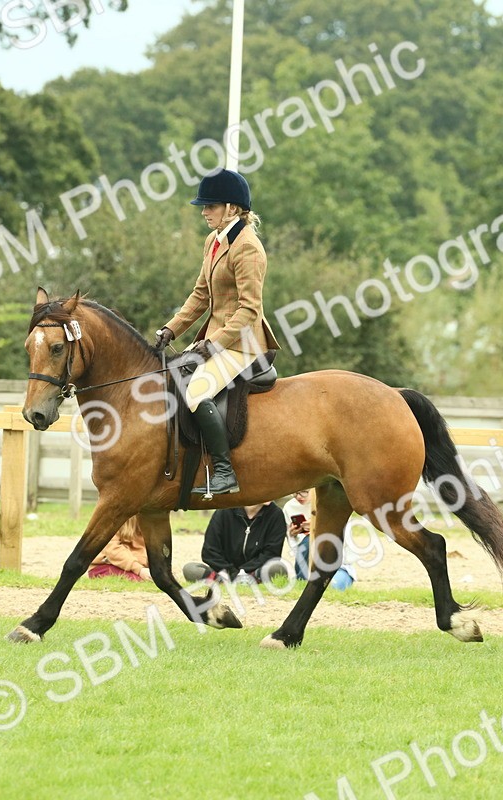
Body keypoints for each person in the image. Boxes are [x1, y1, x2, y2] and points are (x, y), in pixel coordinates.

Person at [153, 168, 280, 495]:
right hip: (216, 339)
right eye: (204, 206)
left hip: (243, 342)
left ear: (232, 209)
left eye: (210, 206)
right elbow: (201, 294)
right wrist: (172, 329)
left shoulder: (248, 247)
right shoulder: (214, 241)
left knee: (196, 392)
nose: (204, 211)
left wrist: (213, 345)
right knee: (171, 378)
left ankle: (224, 473)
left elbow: (249, 308)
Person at [183, 501, 289, 584]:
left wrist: (244, 571)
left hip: (255, 572)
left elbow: (271, 553)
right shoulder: (224, 511)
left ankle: (246, 580)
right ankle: (225, 580)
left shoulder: (276, 514)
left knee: (278, 568)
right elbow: (209, 552)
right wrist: (232, 573)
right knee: (191, 569)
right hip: (224, 571)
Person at [87, 517, 151, 582]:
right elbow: (112, 550)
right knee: (140, 581)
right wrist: (139, 569)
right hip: (104, 566)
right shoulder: (112, 522)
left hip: (134, 567)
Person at [282, 489, 313, 580]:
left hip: (327, 550)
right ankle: (301, 579)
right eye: (295, 493)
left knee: (311, 539)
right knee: (307, 542)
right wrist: (292, 534)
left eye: (304, 492)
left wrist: (316, 525)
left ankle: (301, 579)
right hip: (302, 550)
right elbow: (292, 543)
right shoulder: (289, 507)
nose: (299, 497)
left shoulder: (324, 503)